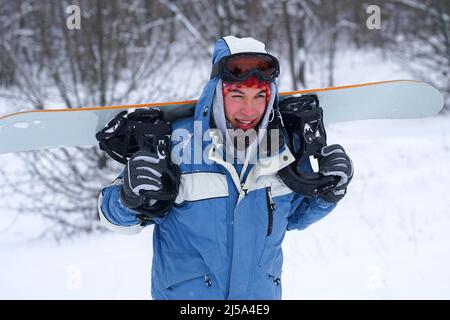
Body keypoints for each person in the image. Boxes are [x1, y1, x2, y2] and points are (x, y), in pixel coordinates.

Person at [98, 36, 353, 300]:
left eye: (259, 97)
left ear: (271, 96)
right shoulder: (178, 143)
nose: (249, 110)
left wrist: (330, 192)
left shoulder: (284, 147)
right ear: (217, 92)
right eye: (237, 95)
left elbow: (295, 216)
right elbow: (113, 218)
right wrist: (126, 198)